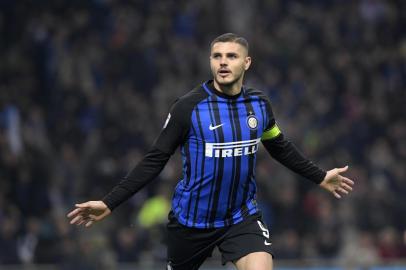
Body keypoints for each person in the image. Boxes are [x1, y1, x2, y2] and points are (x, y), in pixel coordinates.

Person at [67, 33, 354, 270]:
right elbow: (154, 160)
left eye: (231, 56)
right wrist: (110, 202)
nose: (223, 62)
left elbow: (279, 146)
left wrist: (319, 176)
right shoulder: (187, 107)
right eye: (217, 56)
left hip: (240, 217)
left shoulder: (259, 105)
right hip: (191, 221)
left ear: (247, 62)